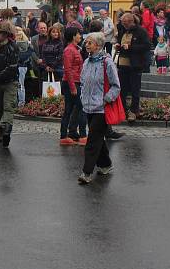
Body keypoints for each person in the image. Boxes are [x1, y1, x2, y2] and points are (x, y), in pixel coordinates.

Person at [77, 32, 121, 184]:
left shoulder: (107, 63)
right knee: (97, 139)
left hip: (102, 109)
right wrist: (83, 97)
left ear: (98, 45)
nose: (86, 45)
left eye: (90, 42)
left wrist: (106, 99)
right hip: (88, 107)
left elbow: (116, 86)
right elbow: (82, 81)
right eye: (86, 42)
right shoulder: (87, 62)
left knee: (92, 141)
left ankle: (86, 172)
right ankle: (105, 165)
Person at [115, 12, 150, 124]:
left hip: (135, 65)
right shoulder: (123, 31)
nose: (123, 25)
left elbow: (147, 46)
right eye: (123, 23)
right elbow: (121, 42)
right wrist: (119, 46)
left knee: (135, 89)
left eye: (125, 23)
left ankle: (134, 111)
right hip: (123, 64)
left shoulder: (141, 31)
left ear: (131, 21)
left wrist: (131, 47)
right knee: (122, 89)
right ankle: (124, 110)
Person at [60, 26, 86, 146]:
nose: (80, 36)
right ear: (73, 36)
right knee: (81, 108)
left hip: (74, 82)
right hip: (72, 82)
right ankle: (82, 135)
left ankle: (64, 135)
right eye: (78, 34)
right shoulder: (69, 50)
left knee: (69, 109)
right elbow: (68, 70)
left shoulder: (74, 49)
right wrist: (73, 87)